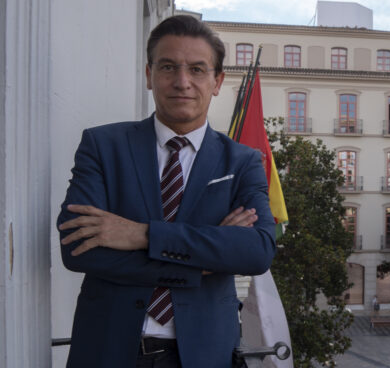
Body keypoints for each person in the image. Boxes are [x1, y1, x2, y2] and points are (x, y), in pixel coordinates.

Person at [57, 15, 276, 368]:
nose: (182, 82)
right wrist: (199, 263)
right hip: (106, 350)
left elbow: (257, 251)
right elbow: (78, 250)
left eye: (197, 69)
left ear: (217, 81)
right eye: (168, 66)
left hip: (203, 355)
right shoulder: (102, 145)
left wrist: (141, 234)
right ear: (149, 75)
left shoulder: (242, 161)